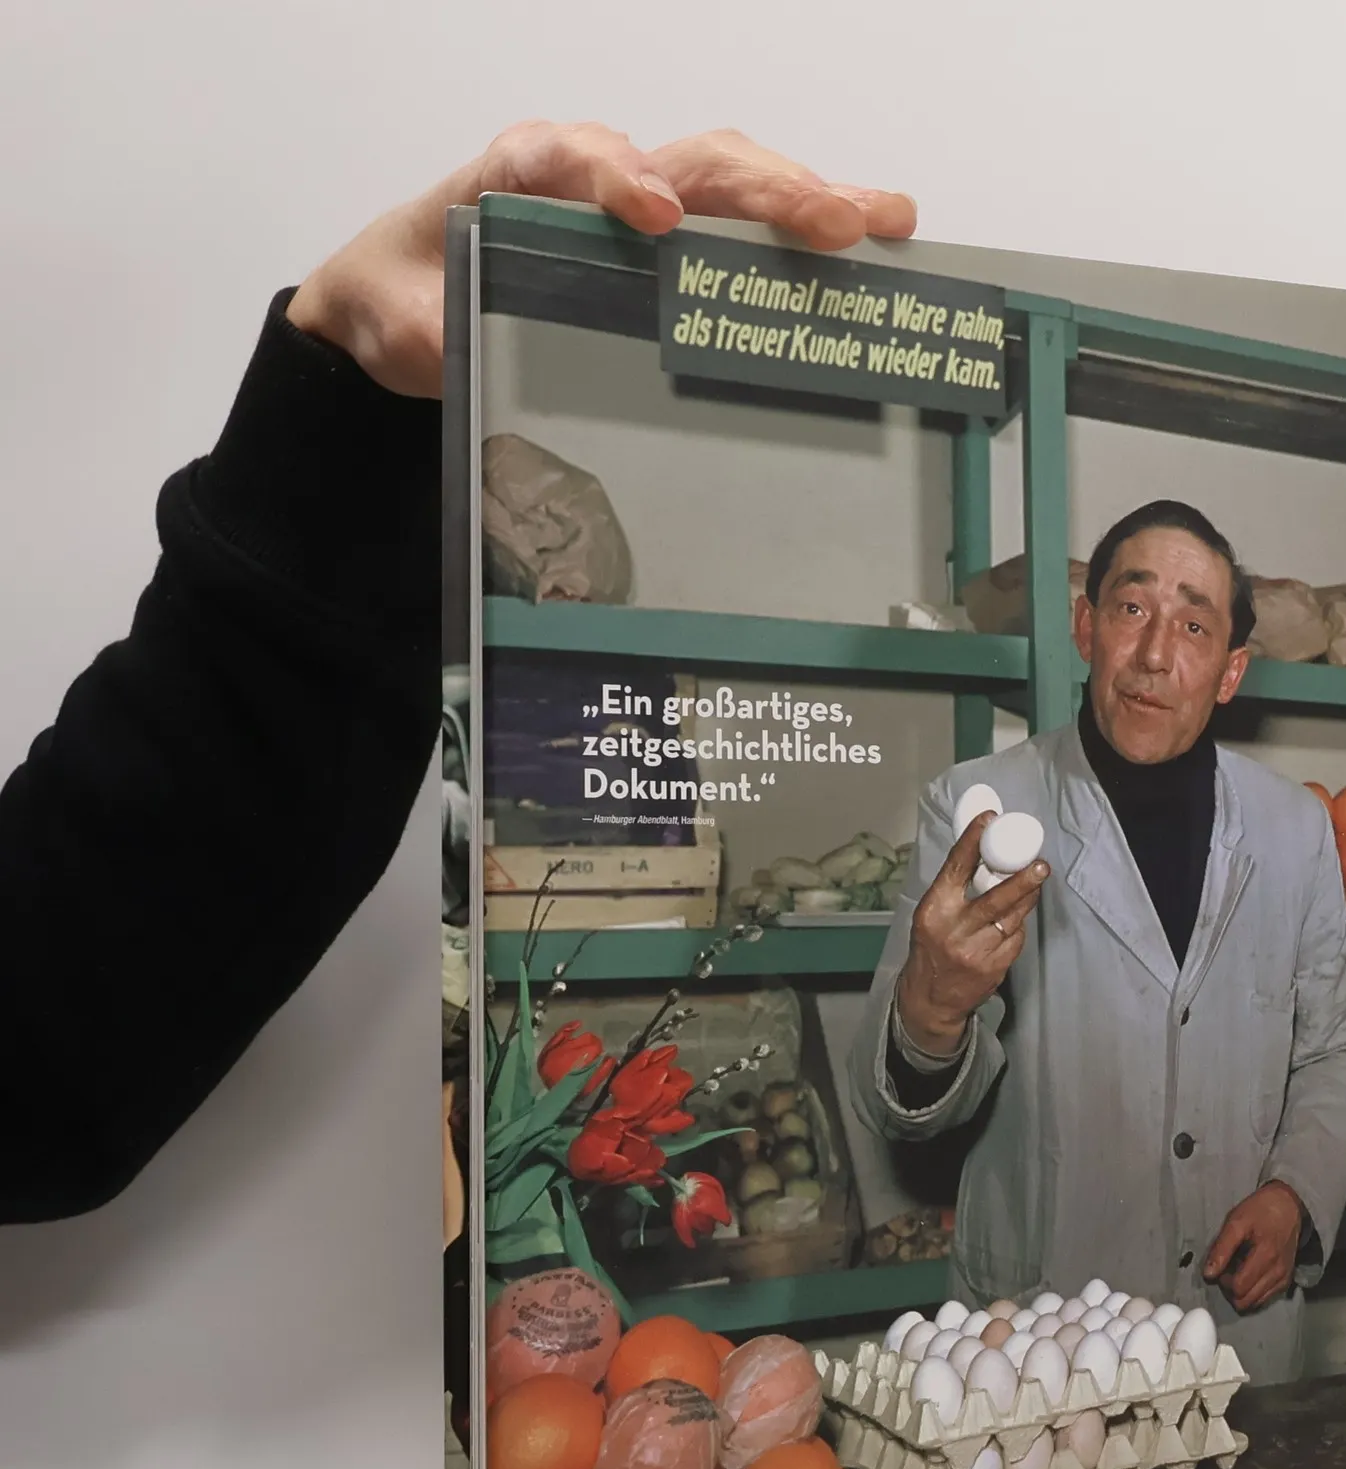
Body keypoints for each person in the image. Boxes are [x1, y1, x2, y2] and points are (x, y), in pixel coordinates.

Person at [0, 124, 915, 1228]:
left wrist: (344, 403)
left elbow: (44, 1046)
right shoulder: (476, 704)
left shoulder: (589, 701)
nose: (562, 568)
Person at [848, 500, 1346, 1383]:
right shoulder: (981, 809)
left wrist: (1297, 1194)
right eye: (1132, 608)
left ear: (1231, 671)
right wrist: (932, 1014)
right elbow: (898, 1110)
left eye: (1194, 625)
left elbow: (1337, 1047)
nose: (1155, 654)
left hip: (1233, 1337)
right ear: (1086, 627)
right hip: (1036, 1345)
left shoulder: (1293, 829)